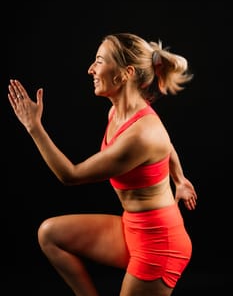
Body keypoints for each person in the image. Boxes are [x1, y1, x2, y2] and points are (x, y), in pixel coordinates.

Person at [8, 32, 197, 296]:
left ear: (125, 73)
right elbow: (167, 145)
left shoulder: (140, 135)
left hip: (159, 245)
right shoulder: (121, 113)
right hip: (133, 226)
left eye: (99, 61)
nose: (90, 70)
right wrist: (180, 180)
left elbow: (70, 175)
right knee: (50, 234)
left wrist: (34, 128)